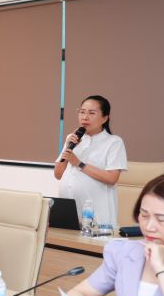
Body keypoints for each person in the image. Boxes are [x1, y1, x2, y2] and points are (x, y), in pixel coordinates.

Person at [54, 95, 128, 228]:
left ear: (105, 118)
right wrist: (68, 147)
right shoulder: (72, 138)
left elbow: (112, 178)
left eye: (92, 113)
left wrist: (79, 163)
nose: (85, 117)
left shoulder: (114, 142)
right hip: (68, 213)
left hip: (97, 217)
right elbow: (58, 174)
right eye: (82, 112)